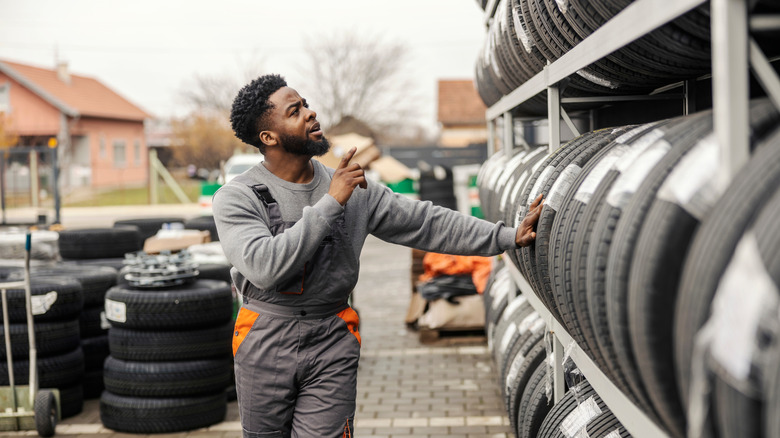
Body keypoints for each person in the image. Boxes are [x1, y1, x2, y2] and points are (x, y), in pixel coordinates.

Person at [213, 74, 544, 438]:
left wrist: (507, 235)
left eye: (306, 104)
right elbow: (264, 266)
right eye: (295, 111)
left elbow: (427, 223)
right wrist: (332, 201)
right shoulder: (238, 196)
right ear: (268, 137)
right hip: (265, 338)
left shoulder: (354, 187)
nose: (311, 113)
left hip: (331, 338)